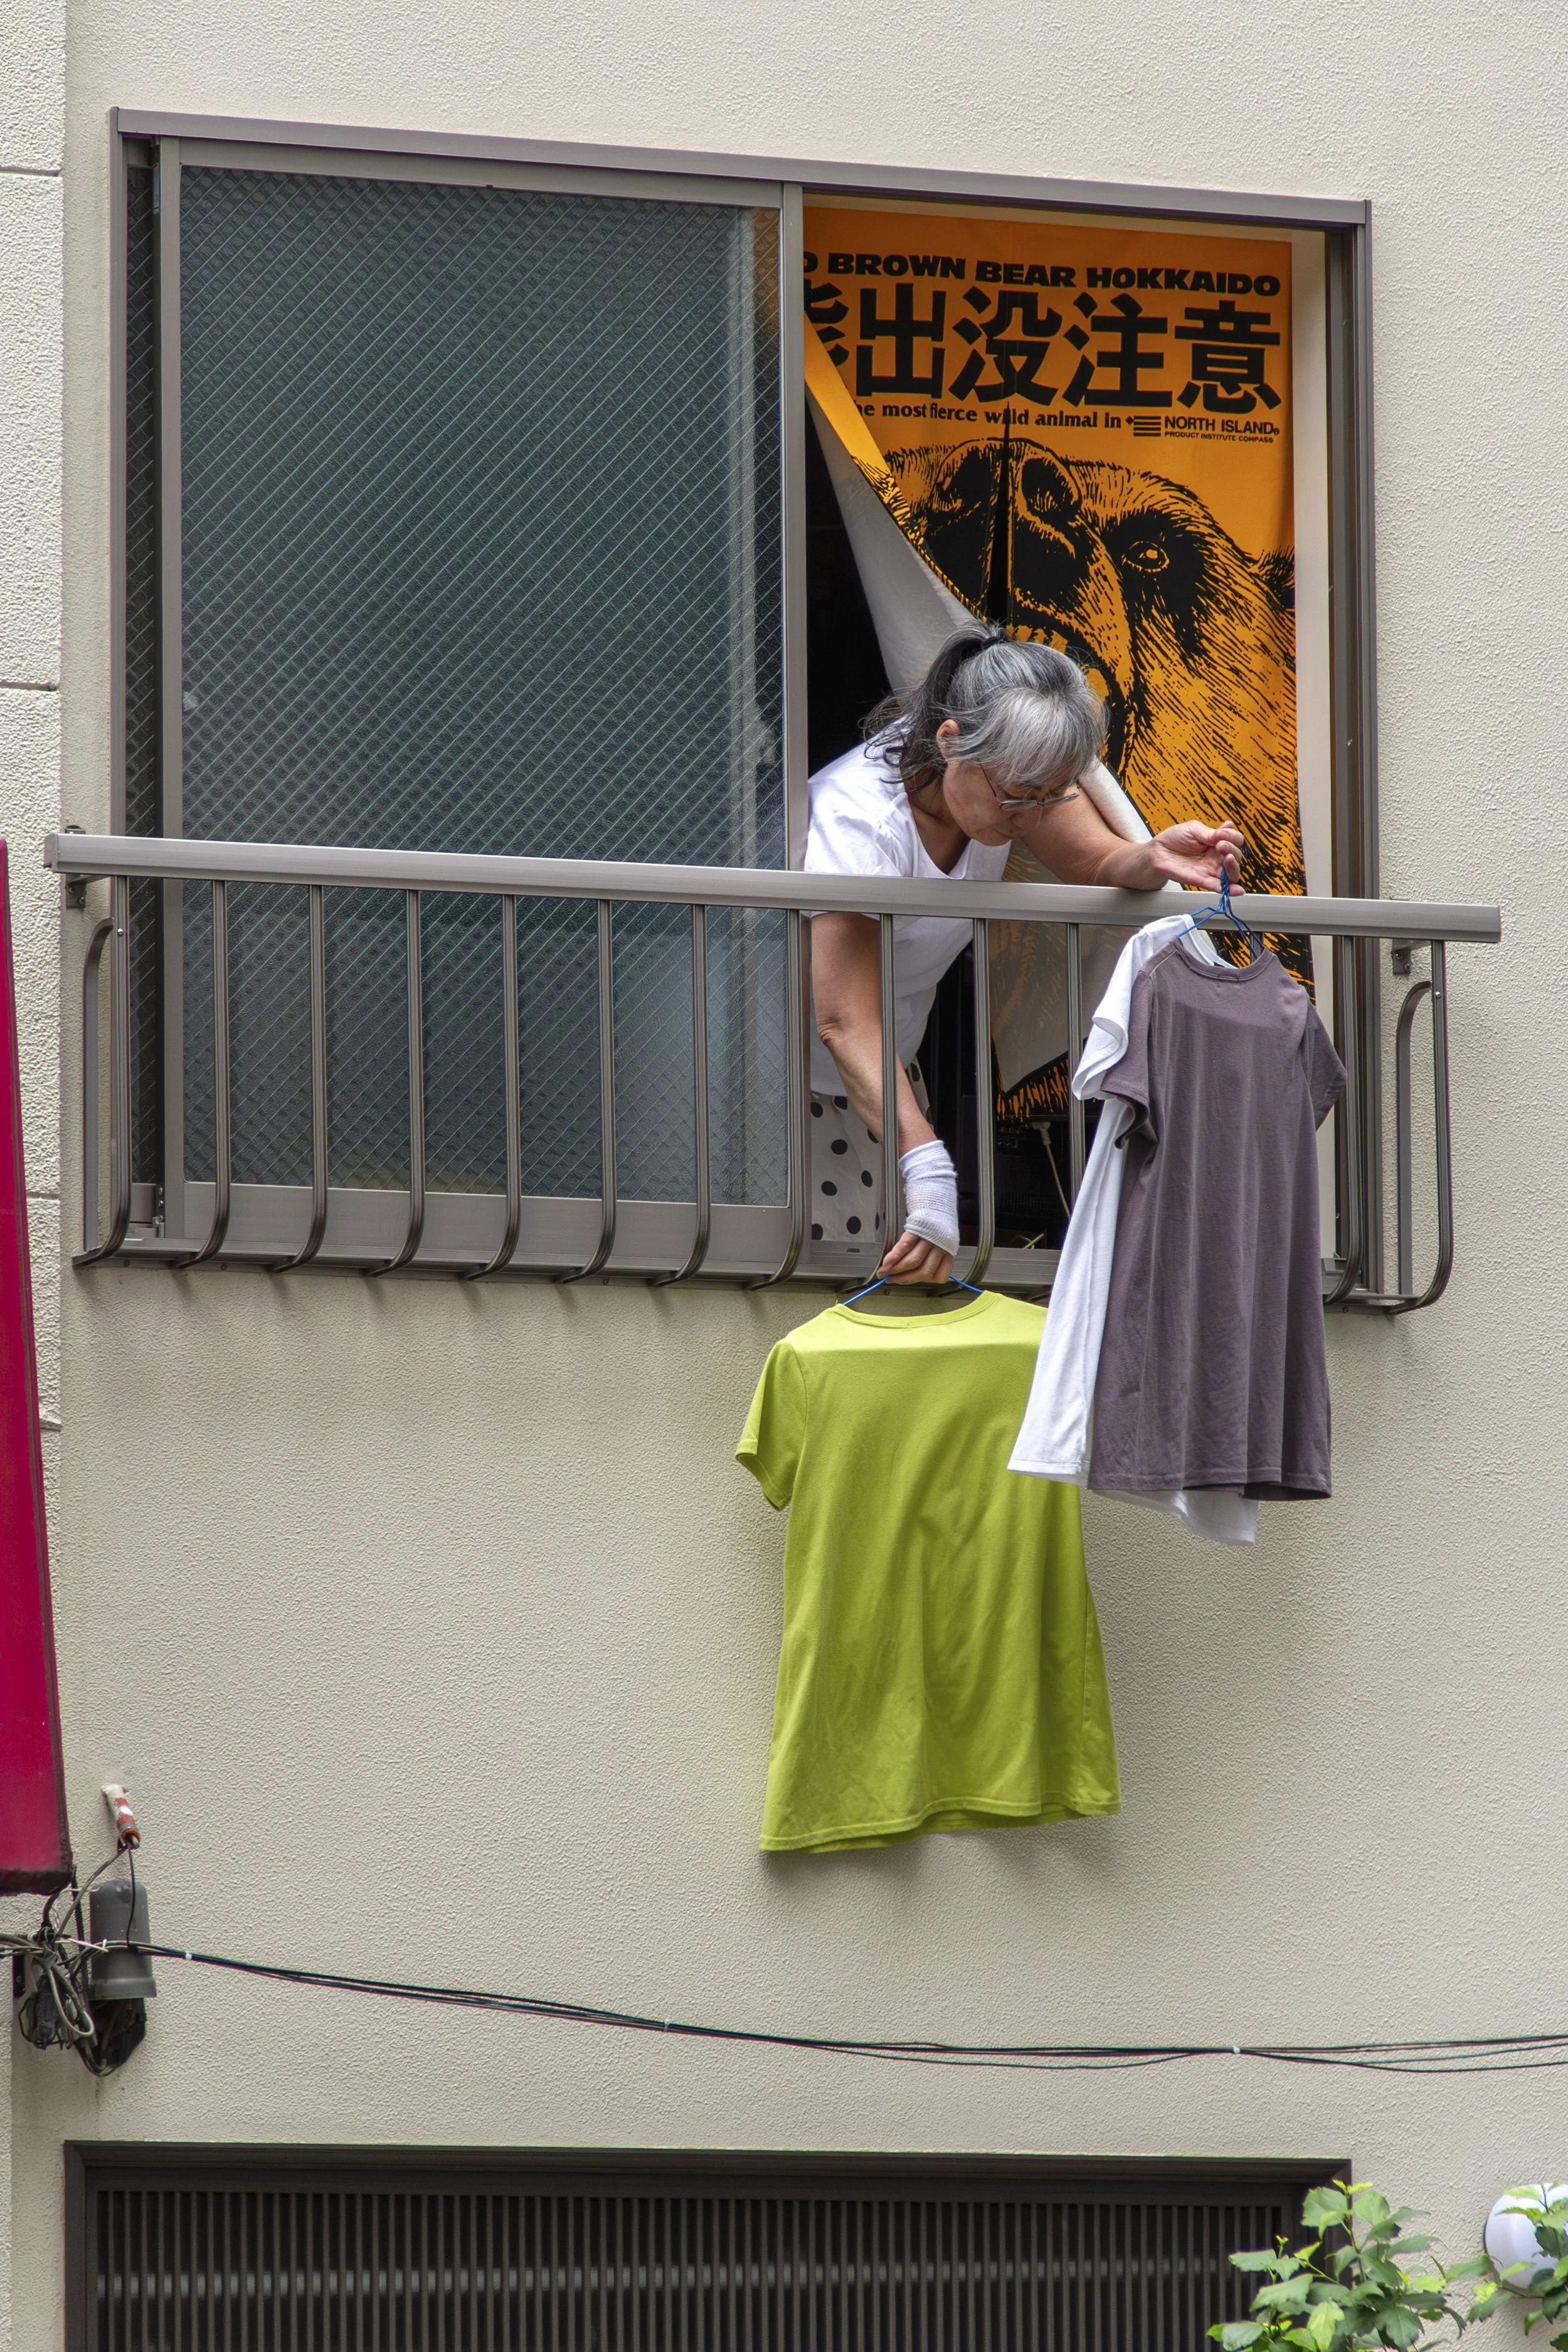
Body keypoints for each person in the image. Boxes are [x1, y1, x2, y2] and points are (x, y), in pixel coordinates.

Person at [805, 623, 1243, 1284]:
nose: (1028, 817)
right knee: (817, 1280)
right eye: (1016, 796)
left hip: (883, 1072)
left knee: (890, 1278)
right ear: (951, 742)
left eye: (1049, 797)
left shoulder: (1012, 784)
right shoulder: (861, 819)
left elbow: (1095, 860)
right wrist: (925, 1162)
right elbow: (842, 1018)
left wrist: (1151, 856)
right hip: (788, 1081)